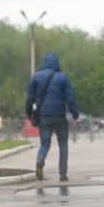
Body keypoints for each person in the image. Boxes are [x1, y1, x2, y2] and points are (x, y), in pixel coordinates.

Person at [26, 53, 80, 182]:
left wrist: (28, 113)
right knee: (63, 144)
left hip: (44, 116)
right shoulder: (63, 78)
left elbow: (30, 98)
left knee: (45, 144)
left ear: (44, 63)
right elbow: (70, 98)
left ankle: (40, 161)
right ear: (57, 63)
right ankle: (62, 174)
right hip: (59, 116)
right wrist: (75, 115)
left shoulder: (36, 77)